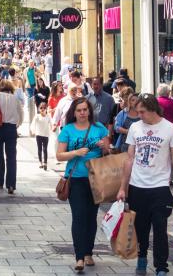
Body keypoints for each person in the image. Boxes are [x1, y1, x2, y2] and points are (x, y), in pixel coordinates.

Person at [116, 93, 173, 276]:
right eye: (137, 111)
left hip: (160, 187)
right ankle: (141, 256)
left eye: (142, 112)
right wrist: (123, 187)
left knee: (160, 227)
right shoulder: (135, 128)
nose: (139, 115)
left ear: (153, 109)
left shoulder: (169, 128)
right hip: (138, 186)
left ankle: (161, 266)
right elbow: (129, 158)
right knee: (141, 227)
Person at [56, 97, 110, 272]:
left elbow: (108, 152)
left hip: (97, 178)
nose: (82, 113)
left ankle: (88, 252)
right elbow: (59, 155)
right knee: (79, 216)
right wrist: (76, 152)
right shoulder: (68, 130)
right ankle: (79, 257)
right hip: (76, 179)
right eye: (79, 110)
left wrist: (103, 147)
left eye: (85, 109)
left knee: (91, 217)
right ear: (74, 112)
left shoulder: (99, 128)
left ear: (90, 111)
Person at [30, 102, 52, 170]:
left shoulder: (48, 116)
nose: (42, 109)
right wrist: (33, 131)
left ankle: (45, 163)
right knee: (39, 149)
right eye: (41, 108)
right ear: (39, 109)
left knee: (45, 149)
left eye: (44, 108)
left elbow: (51, 124)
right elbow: (33, 124)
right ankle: (40, 162)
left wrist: (52, 129)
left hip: (46, 134)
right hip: (38, 134)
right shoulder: (37, 116)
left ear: (46, 109)